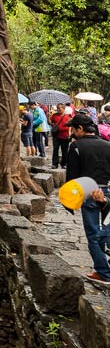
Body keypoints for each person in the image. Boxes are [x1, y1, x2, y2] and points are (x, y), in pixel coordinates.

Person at [65, 113, 110, 286]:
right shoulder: (107, 145)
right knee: (107, 230)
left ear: (81, 129)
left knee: (92, 234)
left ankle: (103, 272)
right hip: (106, 192)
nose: (72, 132)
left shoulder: (76, 146)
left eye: (73, 129)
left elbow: (72, 176)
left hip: (88, 192)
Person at [50, 103, 72, 168]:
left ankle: (64, 164)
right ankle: (54, 164)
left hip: (65, 136)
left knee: (65, 150)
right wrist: (48, 117)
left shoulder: (68, 116)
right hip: (56, 135)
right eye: (57, 108)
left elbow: (71, 125)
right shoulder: (54, 115)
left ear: (64, 108)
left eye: (60, 108)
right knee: (55, 149)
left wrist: (70, 133)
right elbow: (51, 123)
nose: (58, 109)